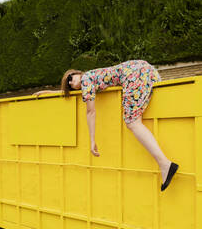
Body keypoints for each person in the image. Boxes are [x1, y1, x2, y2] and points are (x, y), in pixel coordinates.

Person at [33, 60, 179, 191]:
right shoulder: (92, 77)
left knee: (132, 122)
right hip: (145, 69)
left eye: (71, 78)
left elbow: (91, 112)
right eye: (69, 85)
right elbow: (70, 93)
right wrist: (49, 92)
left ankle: (164, 164)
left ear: (78, 74)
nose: (71, 83)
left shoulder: (86, 79)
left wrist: (91, 140)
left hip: (133, 75)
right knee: (135, 119)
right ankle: (164, 163)